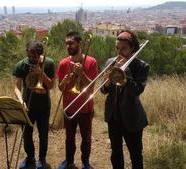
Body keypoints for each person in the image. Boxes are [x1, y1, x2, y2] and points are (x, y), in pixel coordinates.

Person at [100, 30, 149, 169]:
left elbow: (136, 91)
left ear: (132, 48)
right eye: (117, 48)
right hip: (113, 117)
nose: (119, 52)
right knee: (116, 154)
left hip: (132, 118)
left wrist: (125, 72)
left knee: (136, 155)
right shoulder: (111, 62)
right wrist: (107, 82)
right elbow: (103, 91)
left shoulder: (141, 66)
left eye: (123, 48)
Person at [57, 31, 98, 169]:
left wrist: (82, 74)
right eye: (67, 43)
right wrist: (64, 81)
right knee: (69, 138)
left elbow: (92, 87)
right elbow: (61, 88)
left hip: (86, 108)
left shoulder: (91, 62)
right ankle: (69, 161)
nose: (68, 46)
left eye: (71, 43)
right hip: (69, 107)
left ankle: (85, 162)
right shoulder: (63, 63)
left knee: (86, 138)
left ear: (79, 43)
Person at [13, 40, 55, 169]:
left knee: (43, 134)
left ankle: (42, 159)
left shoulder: (48, 63)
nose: (32, 59)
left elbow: (52, 85)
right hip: (27, 105)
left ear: (40, 54)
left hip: (43, 106)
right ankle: (30, 158)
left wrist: (40, 73)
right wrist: (20, 101)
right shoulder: (21, 65)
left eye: (35, 57)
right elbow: (16, 87)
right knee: (27, 134)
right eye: (30, 56)